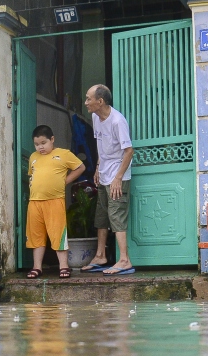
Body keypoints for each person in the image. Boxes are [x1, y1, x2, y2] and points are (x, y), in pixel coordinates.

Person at [81, 85, 135, 275]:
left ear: (100, 101)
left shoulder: (117, 121)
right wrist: (97, 168)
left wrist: (118, 178)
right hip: (104, 173)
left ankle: (124, 260)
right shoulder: (96, 117)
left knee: (116, 215)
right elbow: (100, 144)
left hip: (117, 175)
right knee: (101, 215)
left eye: (89, 99)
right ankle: (100, 256)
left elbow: (129, 151)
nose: (86, 102)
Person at [25, 125, 86, 279]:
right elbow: (31, 175)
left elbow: (80, 167)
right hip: (35, 202)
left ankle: (64, 266)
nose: (40, 147)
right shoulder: (33, 157)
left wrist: (65, 181)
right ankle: (37, 267)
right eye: (37, 144)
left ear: (52, 139)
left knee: (58, 233)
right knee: (36, 236)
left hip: (55, 201)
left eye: (44, 143)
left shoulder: (63, 154)